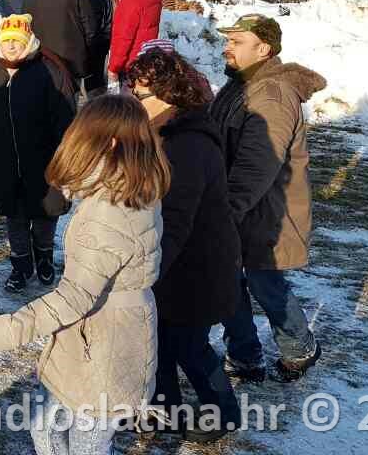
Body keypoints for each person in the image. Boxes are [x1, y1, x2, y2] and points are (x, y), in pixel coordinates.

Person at [0, 94, 170, 455]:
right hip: (92, 336)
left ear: (110, 144)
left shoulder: (110, 211)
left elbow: (73, 298)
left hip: (104, 347)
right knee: (46, 427)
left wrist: (4, 330)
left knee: (85, 445)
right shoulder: (131, 187)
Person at [127, 47, 243, 442]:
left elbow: (176, 219)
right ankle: (164, 410)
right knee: (158, 340)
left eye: (141, 96)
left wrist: (148, 271)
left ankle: (223, 413)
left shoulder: (187, 145)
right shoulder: (164, 133)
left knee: (189, 346)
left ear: (169, 95)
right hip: (174, 266)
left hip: (198, 270)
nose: (134, 103)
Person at [209, 14, 325, 384]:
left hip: (265, 213)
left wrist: (227, 210)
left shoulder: (272, 95)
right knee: (227, 281)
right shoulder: (240, 85)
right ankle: (244, 355)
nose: (227, 47)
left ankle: (299, 346)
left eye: (237, 41)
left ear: (264, 49)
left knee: (265, 284)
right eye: (228, 40)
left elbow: (257, 164)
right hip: (238, 207)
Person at [0, 15, 75, 292]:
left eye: (17, 41)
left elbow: (65, 117)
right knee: (15, 215)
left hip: (44, 159)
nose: (11, 46)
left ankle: (44, 258)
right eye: (7, 40)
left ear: (28, 41)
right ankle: (21, 265)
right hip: (6, 160)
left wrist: (68, 156)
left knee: (45, 213)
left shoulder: (49, 70)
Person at [22, 0, 96, 90]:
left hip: (43, 59)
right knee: (71, 97)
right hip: (73, 60)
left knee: (45, 97)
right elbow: (90, 29)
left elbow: (25, 30)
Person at [108, 0, 162, 87]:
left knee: (128, 99)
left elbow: (123, 38)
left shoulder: (130, 1)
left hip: (131, 65)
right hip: (147, 60)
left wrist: (114, 67)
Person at [80, 0, 116, 98]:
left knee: (94, 81)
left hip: (97, 40)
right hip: (104, 38)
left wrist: (88, 41)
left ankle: (96, 106)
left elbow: (94, 21)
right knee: (99, 77)